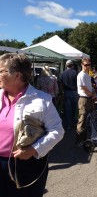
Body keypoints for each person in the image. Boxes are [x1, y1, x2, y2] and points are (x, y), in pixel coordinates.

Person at [0, 53, 64, 197]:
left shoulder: (42, 100)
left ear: (17, 75)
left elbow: (57, 130)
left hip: (26, 164)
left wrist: (34, 149)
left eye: (1, 71)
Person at [76, 58, 96, 147]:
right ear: (82, 65)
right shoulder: (81, 75)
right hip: (84, 99)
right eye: (86, 65)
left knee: (89, 119)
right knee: (82, 120)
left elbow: (89, 87)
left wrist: (94, 93)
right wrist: (92, 95)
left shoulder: (87, 75)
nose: (87, 66)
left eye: (89, 65)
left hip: (89, 98)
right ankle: (78, 141)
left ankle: (86, 139)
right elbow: (83, 88)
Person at [60, 60, 79, 130]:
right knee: (74, 109)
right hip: (74, 92)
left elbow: (61, 84)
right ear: (72, 65)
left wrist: (62, 92)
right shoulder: (76, 73)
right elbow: (78, 84)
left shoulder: (63, 73)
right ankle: (73, 123)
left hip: (66, 92)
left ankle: (68, 125)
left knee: (67, 110)